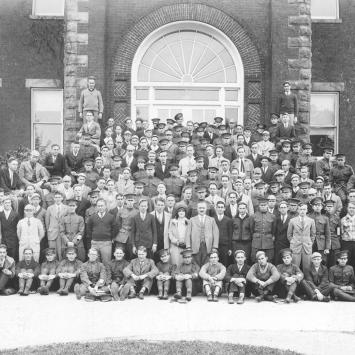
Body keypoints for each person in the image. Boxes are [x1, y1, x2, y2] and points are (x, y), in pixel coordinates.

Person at [186, 201, 219, 266]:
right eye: (200, 208)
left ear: (206, 209)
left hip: (207, 246)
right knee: (196, 263)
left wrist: (214, 246)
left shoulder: (211, 220)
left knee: (206, 263)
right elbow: (188, 234)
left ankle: (204, 275)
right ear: (197, 209)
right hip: (195, 246)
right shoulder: (192, 220)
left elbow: (216, 233)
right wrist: (188, 246)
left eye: (203, 208)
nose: (201, 209)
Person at [86, 198, 116, 266]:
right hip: (95, 243)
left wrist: (111, 237)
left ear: (105, 206)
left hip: (106, 243)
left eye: (102, 205)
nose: (100, 207)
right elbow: (88, 228)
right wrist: (93, 237)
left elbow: (114, 228)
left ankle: (106, 276)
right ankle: (96, 276)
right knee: (95, 262)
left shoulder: (111, 217)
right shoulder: (92, 217)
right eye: (99, 206)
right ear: (96, 207)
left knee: (106, 262)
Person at [287, 202, 316, 270]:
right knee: (294, 266)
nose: (302, 211)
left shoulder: (311, 221)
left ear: (307, 210)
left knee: (307, 267)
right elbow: (289, 234)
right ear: (297, 210)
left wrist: (310, 242)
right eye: (300, 209)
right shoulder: (292, 221)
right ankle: (295, 280)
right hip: (295, 246)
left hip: (307, 247)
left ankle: (307, 280)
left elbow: (313, 234)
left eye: (304, 209)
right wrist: (293, 242)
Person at [249, 198, 276, 262]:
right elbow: (251, 229)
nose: (263, 207)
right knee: (255, 258)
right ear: (259, 206)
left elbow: (274, 229)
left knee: (269, 258)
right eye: (261, 205)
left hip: (268, 241)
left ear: (267, 205)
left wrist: (271, 235)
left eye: (264, 205)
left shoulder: (272, 216)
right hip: (257, 241)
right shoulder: (254, 216)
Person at [45, 192, 67, 261]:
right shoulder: (49, 208)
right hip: (52, 232)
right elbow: (47, 221)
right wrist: (49, 230)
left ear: (62, 198)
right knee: (52, 250)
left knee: (61, 250)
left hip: (62, 232)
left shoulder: (66, 208)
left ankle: (61, 266)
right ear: (54, 199)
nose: (58, 199)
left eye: (59, 197)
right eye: (56, 197)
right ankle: (53, 265)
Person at [114, 193, 138, 258]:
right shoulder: (120, 211)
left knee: (131, 255)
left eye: (131, 200)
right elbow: (117, 224)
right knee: (119, 253)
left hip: (132, 236)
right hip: (121, 236)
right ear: (125, 201)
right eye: (128, 200)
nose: (130, 202)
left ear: (134, 201)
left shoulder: (137, 212)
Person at [308, 197, 331, 264]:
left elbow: (328, 234)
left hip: (321, 243)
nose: (317, 207)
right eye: (315, 205)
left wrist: (327, 247)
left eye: (319, 205)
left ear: (322, 207)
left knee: (322, 261)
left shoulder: (325, 218)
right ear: (312, 207)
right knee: (310, 261)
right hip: (310, 243)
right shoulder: (308, 217)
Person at [151, 197, 171, 263]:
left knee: (164, 260)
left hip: (164, 241)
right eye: (158, 205)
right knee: (154, 259)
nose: (160, 207)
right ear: (155, 205)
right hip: (154, 242)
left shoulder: (169, 216)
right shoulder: (151, 215)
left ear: (164, 206)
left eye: (162, 205)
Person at [0, 196, 20, 261]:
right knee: (3, 257)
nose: (8, 204)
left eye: (9, 202)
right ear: (3, 204)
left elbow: (18, 227)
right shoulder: (0, 214)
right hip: (4, 239)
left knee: (12, 257)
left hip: (13, 239)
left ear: (11, 204)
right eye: (6, 203)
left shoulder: (16, 214)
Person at [214, 201, 233, 267]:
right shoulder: (213, 219)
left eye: (222, 207)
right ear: (216, 208)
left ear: (224, 209)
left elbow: (230, 234)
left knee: (224, 262)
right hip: (215, 246)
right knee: (215, 262)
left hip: (225, 245)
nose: (220, 209)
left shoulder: (228, 220)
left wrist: (230, 248)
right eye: (218, 207)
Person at [274, 200, 291, 265]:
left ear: (287, 208)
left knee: (287, 260)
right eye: (281, 208)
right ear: (279, 209)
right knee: (278, 261)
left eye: (284, 207)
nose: (283, 209)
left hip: (287, 244)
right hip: (278, 244)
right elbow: (274, 231)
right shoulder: (276, 219)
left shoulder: (291, 219)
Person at [340, 202, 355, 269]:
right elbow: (340, 233)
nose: (352, 209)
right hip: (346, 243)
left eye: (353, 208)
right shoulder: (343, 220)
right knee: (346, 262)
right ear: (347, 208)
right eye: (350, 208)